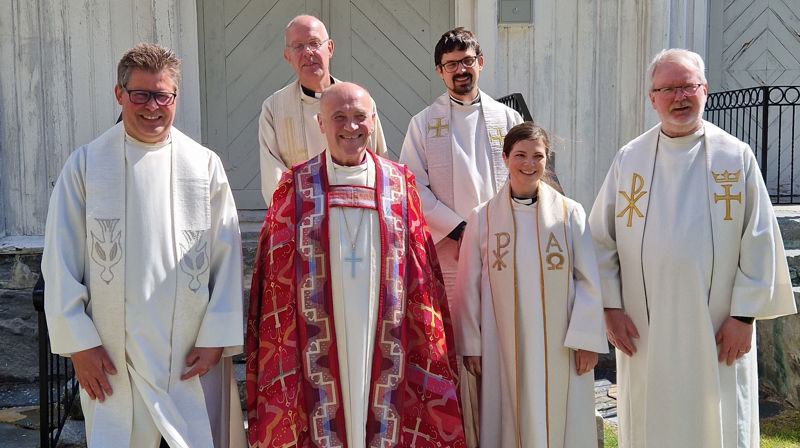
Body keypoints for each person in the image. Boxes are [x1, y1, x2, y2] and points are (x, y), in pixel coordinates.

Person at [589, 48, 797, 447]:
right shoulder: (629, 159)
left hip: (719, 329)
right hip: (643, 329)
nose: (679, 97)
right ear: (652, 98)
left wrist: (744, 316)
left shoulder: (735, 157)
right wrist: (610, 308)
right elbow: (600, 240)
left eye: (687, 86)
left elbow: (760, 238)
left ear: (704, 90)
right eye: (667, 88)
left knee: (716, 421)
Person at [42, 43, 246, 448]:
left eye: (162, 95)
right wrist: (80, 344)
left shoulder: (203, 165)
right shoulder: (85, 165)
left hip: (190, 355)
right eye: (141, 94)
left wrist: (215, 337)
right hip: (115, 356)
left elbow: (227, 254)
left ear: (175, 98)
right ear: (120, 95)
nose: (152, 107)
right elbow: (59, 260)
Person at [245, 82, 465, 447]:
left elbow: (422, 274)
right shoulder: (294, 187)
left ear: (373, 120)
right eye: (339, 118)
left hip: (388, 335)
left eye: (359, 117)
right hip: (314, 343)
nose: (351, 127)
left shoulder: (399, 183)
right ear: (321, 124)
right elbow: (274, 283)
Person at [398, 27, 522, 446]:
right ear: (439, 71)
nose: (460, 70)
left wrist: (496, 229)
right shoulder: (424, 123)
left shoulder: (509, 120)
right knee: (461, 344)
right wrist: (460, 228)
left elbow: (525, 175)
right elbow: (411, 184)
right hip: (450, 251)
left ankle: (506, 429)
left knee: (504, 339)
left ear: (480, 63)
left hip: (502, 248)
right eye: (451, 65)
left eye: (467, 61)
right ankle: (464, 432)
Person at [453, 122, 606, 447]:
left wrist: (588, 340)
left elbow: (588, 281)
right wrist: (471, 345)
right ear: (506, 158)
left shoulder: (569, 215)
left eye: (537, 156)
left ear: (546, 159)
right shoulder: (483, 219)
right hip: (501, 345)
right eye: (520, 155)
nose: (529, 163)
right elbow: (467, 288)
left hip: (561, 345)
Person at [258, 14, 387, 205]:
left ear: (330, 48)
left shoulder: (360, 101)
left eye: (314, 42)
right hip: (303, 218)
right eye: (298, 46)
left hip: (358, 208)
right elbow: (274, 178)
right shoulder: (274, 109)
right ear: (288, 57)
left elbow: (378, 161)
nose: (308, 52)